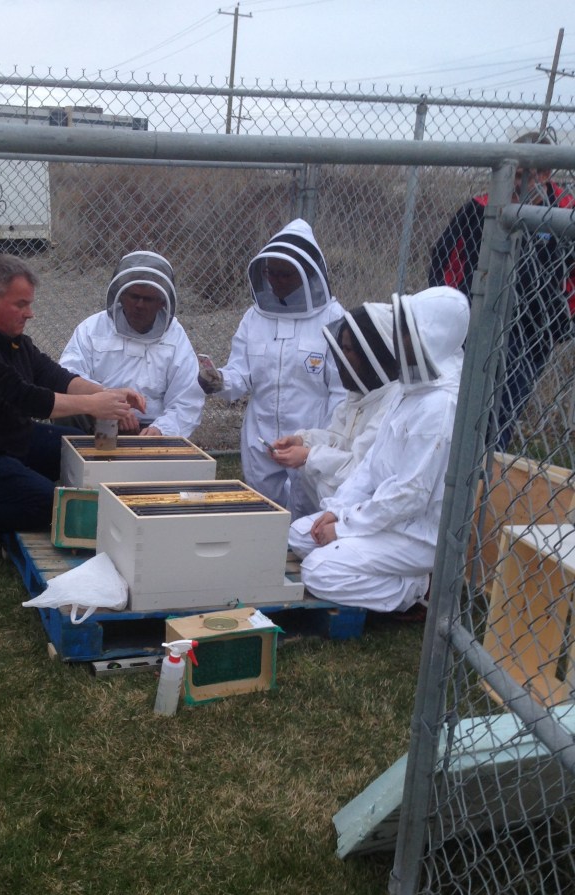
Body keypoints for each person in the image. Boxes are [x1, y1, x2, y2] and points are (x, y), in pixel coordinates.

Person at [0, 254, 145, 566]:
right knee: (49, 505)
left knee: (77, 450)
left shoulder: (15, 341)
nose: (30, 313)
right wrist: (93, 405)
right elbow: (23, 398)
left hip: (9, 440)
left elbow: (56, 377)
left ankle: (13, 494)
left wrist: (107, 394)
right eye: (21, 304)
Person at [287, 287, 470, 613]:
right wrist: (336, 510)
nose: (398, 339)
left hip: (417, 534)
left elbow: (409, 494)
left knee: (317, 571)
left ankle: (416, 587)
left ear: (430, 336)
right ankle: (387, 571)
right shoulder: (409, 388)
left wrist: (344, 527)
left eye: (406, 331)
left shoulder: (440, 406)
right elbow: (371, 465)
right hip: (385, 517)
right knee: (300, 535)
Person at [428, 130, 575, 451]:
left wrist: (559, 323)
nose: (512, 184)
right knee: (456, 407)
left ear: (545, 174)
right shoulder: (479, 209)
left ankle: (485, 469)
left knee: (502, 416)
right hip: (474, 327)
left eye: (521, 176)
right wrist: (452, 318)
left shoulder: (565, 213)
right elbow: (445, 265)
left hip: (531, 335)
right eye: (508, 174)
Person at [197, 219, 345, 518]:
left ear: (307, 273)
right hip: (260, 432)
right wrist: (219, 380)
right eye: (270, 273)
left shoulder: (332, 317)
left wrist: (328, 439)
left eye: (285, 274)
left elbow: (341, 390)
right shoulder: (255, 317)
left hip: (310, 432)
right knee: (263, 512)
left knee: (308, 514)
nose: (276, 281)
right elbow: (242, 373)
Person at [267, 302, 401, 512]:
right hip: (342, 511)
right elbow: (338, 439)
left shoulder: (393, 403)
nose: (341, 357)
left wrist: (308, 455)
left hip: (369, 511)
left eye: (347, 349)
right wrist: (303, 440)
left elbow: (359, 469)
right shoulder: (360, 394)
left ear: (372, 352)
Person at [60, 250, 205, 438]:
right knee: (68, 411)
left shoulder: (175, 337)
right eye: (134, 296)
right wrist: (112, 407)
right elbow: (69, 375)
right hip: (98, 418)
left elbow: (187, 399)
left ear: (162, 302)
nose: (140, 305)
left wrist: (161, 429)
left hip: (150, 426)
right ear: (120, 295)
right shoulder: (92, 328)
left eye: (148, 299)